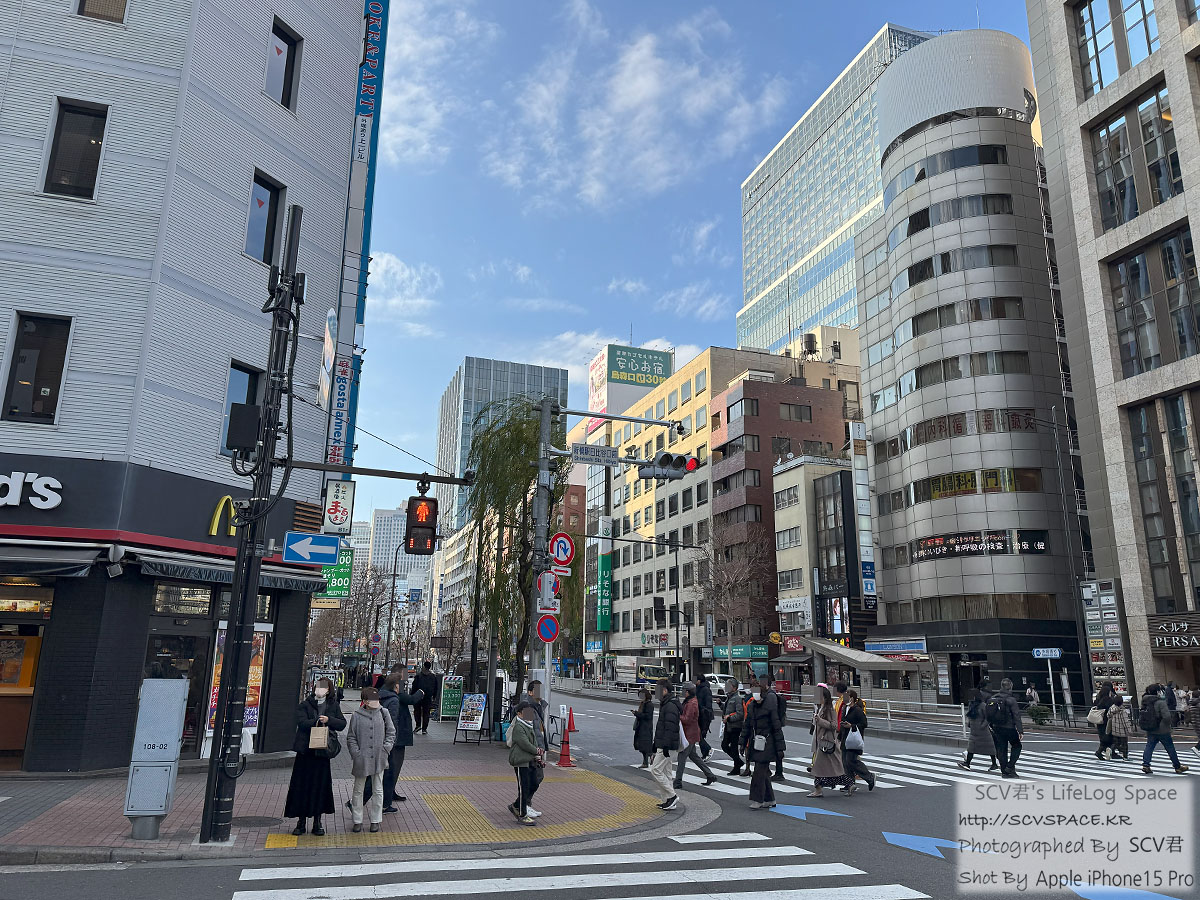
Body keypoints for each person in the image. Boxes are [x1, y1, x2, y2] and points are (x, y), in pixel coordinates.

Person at [284, 677, 346, 836]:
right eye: (318, 687)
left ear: (329, 690)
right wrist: (316, 721)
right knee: (302, 787)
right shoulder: (305, 704)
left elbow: (342, 724)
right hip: (305, 752)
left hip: (322, 753)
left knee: (320, 787)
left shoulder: (333, 705)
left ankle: (317, 822)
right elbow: (301, 723)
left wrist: (329, 720)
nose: (320, 690)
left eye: (324, 688)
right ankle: (301, 821)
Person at [346, 687, 395, 833]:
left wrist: (386, 749)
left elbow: (391, 732)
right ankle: (357, 820)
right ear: (365, 701)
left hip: (379, 757)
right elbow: (351, 737)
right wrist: (356, 754)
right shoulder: (356, 715)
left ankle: (375, 820)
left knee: (378, 790)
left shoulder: (383, 713)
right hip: (362, 759)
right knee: (358, 790)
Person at [375, 675, 424, 810]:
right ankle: (384, 800)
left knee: (385, 770)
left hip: (387, 738)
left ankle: (388, 794)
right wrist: (421, 692)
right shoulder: (394, 696)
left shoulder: (383, 692)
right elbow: (410, 700)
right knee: (391, 769)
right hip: (395, 738)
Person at [741, 680, 786, 809]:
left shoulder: (769, 707)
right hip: (757, 742)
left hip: (768, 742)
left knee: (759, 772)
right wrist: (742, 743)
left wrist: (780, 748)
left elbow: (777, 728)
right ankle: (770, 799)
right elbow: (747, 726)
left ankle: (758, 799)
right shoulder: (752, 706)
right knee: (764, 772)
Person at [808, 685, 851, 797]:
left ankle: (818, 790)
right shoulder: (820, 707)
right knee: (830, 768)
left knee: (819, 767)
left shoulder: (830, 708)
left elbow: (834, 725)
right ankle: (848, 783)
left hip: (826, 741)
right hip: (822, 741)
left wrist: (820, 720)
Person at [648, 678, 683, 810]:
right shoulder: (668, 703)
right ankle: (668, 800)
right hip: (666, 743)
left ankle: (672, 796)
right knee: (666, 773)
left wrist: (665, 745)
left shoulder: (669, 706)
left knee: (655, 770)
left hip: (666, 744)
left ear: (664, 690)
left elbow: (670, 727)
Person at [674, 683, 717, 789]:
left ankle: (678, 781)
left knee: (682, 757)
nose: (682, 692)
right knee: (694, 756)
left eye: (684, 690)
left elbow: (687, 719)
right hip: (691, 733)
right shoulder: (690, 701)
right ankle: (710, 775)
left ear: (688, 692)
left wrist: (677, 716)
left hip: (689, 734)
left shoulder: (691, 703)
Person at [1140, 683, 1189, 775]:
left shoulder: (1145, 701)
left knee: (1149, 746)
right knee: (1170, 747)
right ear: (1158, 691)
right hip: (1162, 729)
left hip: (1150, 728)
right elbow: (1167, 716)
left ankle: (1146, 765)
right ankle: (1177, 766)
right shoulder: (1160, 702)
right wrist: (1168, 725)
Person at [507, 700, 543, 826]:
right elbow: (524, 743)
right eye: (526, 712)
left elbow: (533, 741)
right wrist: (537, 751)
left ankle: (516, 805)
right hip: (520, 761)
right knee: (524, 787)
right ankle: (522, 815)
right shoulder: (519, 726)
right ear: (519, 714)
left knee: (534, 783)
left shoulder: (528, 724)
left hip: (529, 760)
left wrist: (537, 756)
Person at [838, 688, 875, 793]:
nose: (845, 699)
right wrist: (839, 735)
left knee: (851, 761)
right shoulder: (845, 708)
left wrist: (852, 726)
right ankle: (849, 784)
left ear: (852, 698)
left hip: (854, 739)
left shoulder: (857, 710)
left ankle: (869, 777)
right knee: (845, 762)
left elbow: (864, 724)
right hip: (845, 738)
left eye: (847, 697)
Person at [989, 678, 1024, 778]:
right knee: (1017, 746)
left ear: (1001, 686)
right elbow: (1016, 715)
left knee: (1002, 748)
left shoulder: (994, 698)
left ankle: (1004, 772)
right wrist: (1020, 730)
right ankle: (1010, 766)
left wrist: (991, 726)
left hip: (997, 727)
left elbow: (989, 713)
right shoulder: (1011, 700)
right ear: (1011, 686)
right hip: (1009, 727)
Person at [959, 688, 999, 771]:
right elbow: (970, 716)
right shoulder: (971, 705)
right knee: (971, 747)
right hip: (974, 731)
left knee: (990, 747)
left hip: (983, 731)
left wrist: (983, 725)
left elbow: (988, 717)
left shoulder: (983, 705)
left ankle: (994, 764)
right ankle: (967, 763)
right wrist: (969, 724)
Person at [721, 678, 746, 776]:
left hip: (735, 726)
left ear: (734, 687)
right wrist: (720, 704)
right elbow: (727, 710)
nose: (726, 687)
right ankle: (738, 762)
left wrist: (729, 718)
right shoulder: (729, 697)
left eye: (729, 686)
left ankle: (737, 767)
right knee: (724, 745)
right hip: (728, 726)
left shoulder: (737, 698)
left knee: (733, 747)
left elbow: (740, 714)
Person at [1092, 681, 1118, 760]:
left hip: (1099, 721)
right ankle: (1109, 752)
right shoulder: (1108, 700)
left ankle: (1101, 752)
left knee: (1103, 738)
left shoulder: (1098, 699)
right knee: (1112, 737)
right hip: (1107, 721)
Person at [413, 662, 439, 734]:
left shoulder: (418, 676)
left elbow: (414, 686)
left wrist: (412, 696)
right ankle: (424, 729)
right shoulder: (433, 677)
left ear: (424, 666)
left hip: (418, 696)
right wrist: (434, 696)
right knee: (426, 712)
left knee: (417, 711)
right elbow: (436, 687)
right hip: (428, 697)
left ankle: (418, 725)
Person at [693, 674, 715, 759]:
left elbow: (708, 704)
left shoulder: (705, 689)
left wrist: (703, 710)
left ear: (699, 681)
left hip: (704, 716)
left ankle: (708, 750)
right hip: (699, 715)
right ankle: (705, 754)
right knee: (698, 735)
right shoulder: (697, 689)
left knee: (700, 735)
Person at [632, 688, 655, 767]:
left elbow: (647, 716)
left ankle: (649, 759)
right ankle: (648, 760)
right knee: (641, 745)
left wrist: (637, 714)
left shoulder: (649, 704)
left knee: (645, 745)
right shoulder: (643, 703)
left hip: (646, 727)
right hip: (641, 726)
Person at [1106, 694, 1132, 761]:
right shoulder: (1122, 710)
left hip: (1114, 729)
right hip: (1122, 730)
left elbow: (1108, 715)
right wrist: (1129, 730)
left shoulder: (1112, 708)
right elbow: (1125, 721)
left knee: (1116, 742)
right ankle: (1125, 756)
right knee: (1124, 744)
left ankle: (1111, 749)